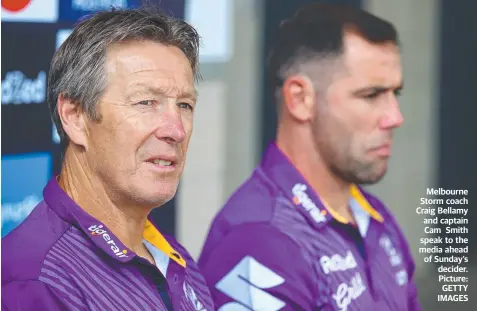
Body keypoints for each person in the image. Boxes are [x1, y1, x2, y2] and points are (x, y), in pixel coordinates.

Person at [198, 3, 421, 311]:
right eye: (371, 95)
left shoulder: (376, 219)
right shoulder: (261, 239)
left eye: (394, 94)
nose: (394, 117)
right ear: (300, 99)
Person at [2, 7, 214, 311]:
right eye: (146, 102)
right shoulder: (35, 282)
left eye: (184, 105)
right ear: (74, 117)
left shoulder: (173, 257)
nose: (176, 130)